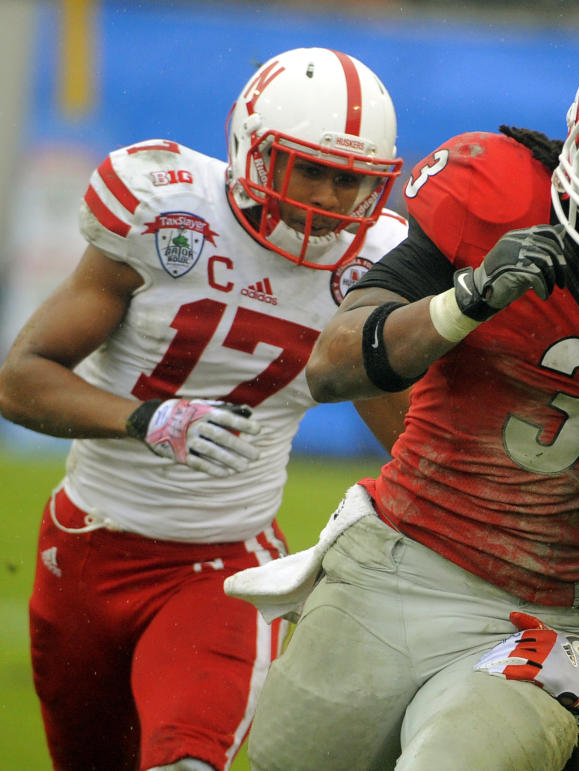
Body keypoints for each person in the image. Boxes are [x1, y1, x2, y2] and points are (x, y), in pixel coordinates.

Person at [245, 34, 579, 771]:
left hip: (539, 615)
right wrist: (461, 304)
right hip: (391, 561)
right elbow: (333, 363)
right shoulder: (495, 192)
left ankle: (575, 697)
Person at [0, 48, 409, 771]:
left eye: (351, 179)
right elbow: (21, 378)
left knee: (187, 760)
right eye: (308, 168)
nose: (331, 200)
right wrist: (144, 418)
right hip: (84, 546)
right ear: (250, 148)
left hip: (223, 566)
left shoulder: (373, 267)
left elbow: (409, 438)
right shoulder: (165, 210)